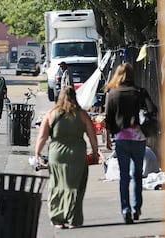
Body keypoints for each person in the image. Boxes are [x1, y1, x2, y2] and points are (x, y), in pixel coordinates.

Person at [35, 86, 99, 229]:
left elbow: (43, 136)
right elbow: (92, 135)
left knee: (57, 185)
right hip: (77, 154)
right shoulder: (81, 114)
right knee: (75, 186)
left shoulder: (51, 113)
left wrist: (37, 153)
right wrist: (95, 151)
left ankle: (58, 218)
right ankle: (73, 218)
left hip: (57, 154)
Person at [104, 62, 157, 224]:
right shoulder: (140, 92)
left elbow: (108, 119)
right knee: (137, 175)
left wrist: (108, 138)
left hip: (121, 138)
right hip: (138, 137)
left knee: (124, 176)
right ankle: (136, 207)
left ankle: (125, 209)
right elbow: (153, 110)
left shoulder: (113, 94)